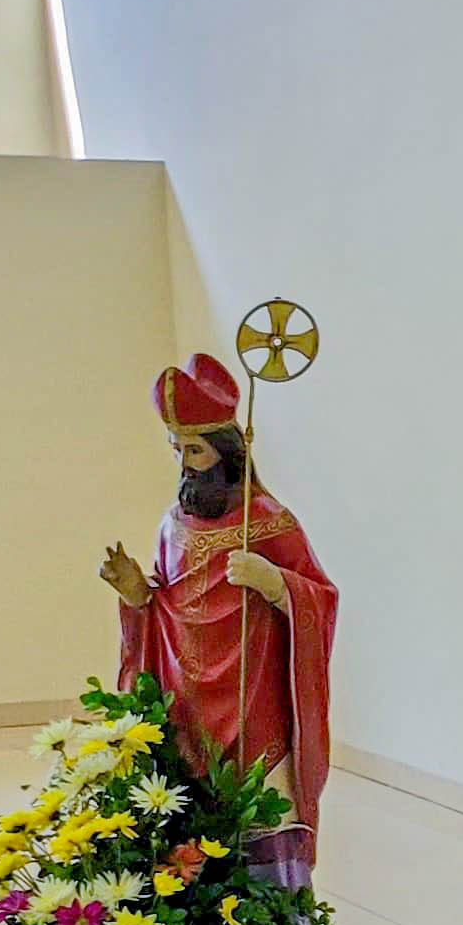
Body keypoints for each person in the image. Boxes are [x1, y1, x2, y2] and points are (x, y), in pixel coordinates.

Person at [98, 353, 337, 886]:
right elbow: (172, 603)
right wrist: (139, 596)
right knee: (194, 830)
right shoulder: (173, 523)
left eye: (195, 449)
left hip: (255, 707)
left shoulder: (268, 521)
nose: (185, 463)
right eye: (177, 449)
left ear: (227, 451)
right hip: (190, 705)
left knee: (262, 825)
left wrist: (276, 584)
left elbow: (320, 598)